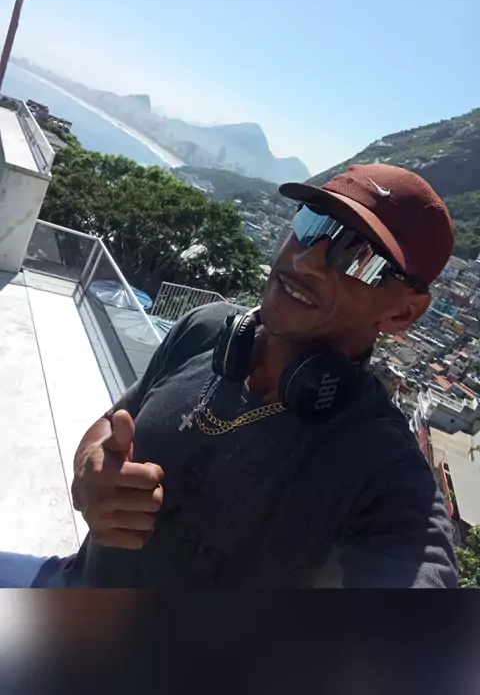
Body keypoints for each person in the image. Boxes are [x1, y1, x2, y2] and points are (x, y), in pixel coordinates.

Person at [0, 163, 458, 588]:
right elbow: (115, 419)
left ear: (403, 312)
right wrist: (91, 464)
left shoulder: (380, 466)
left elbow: (418, 583)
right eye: (311, 223)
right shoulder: (205, 327)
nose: (304, 261)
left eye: (359, 256)